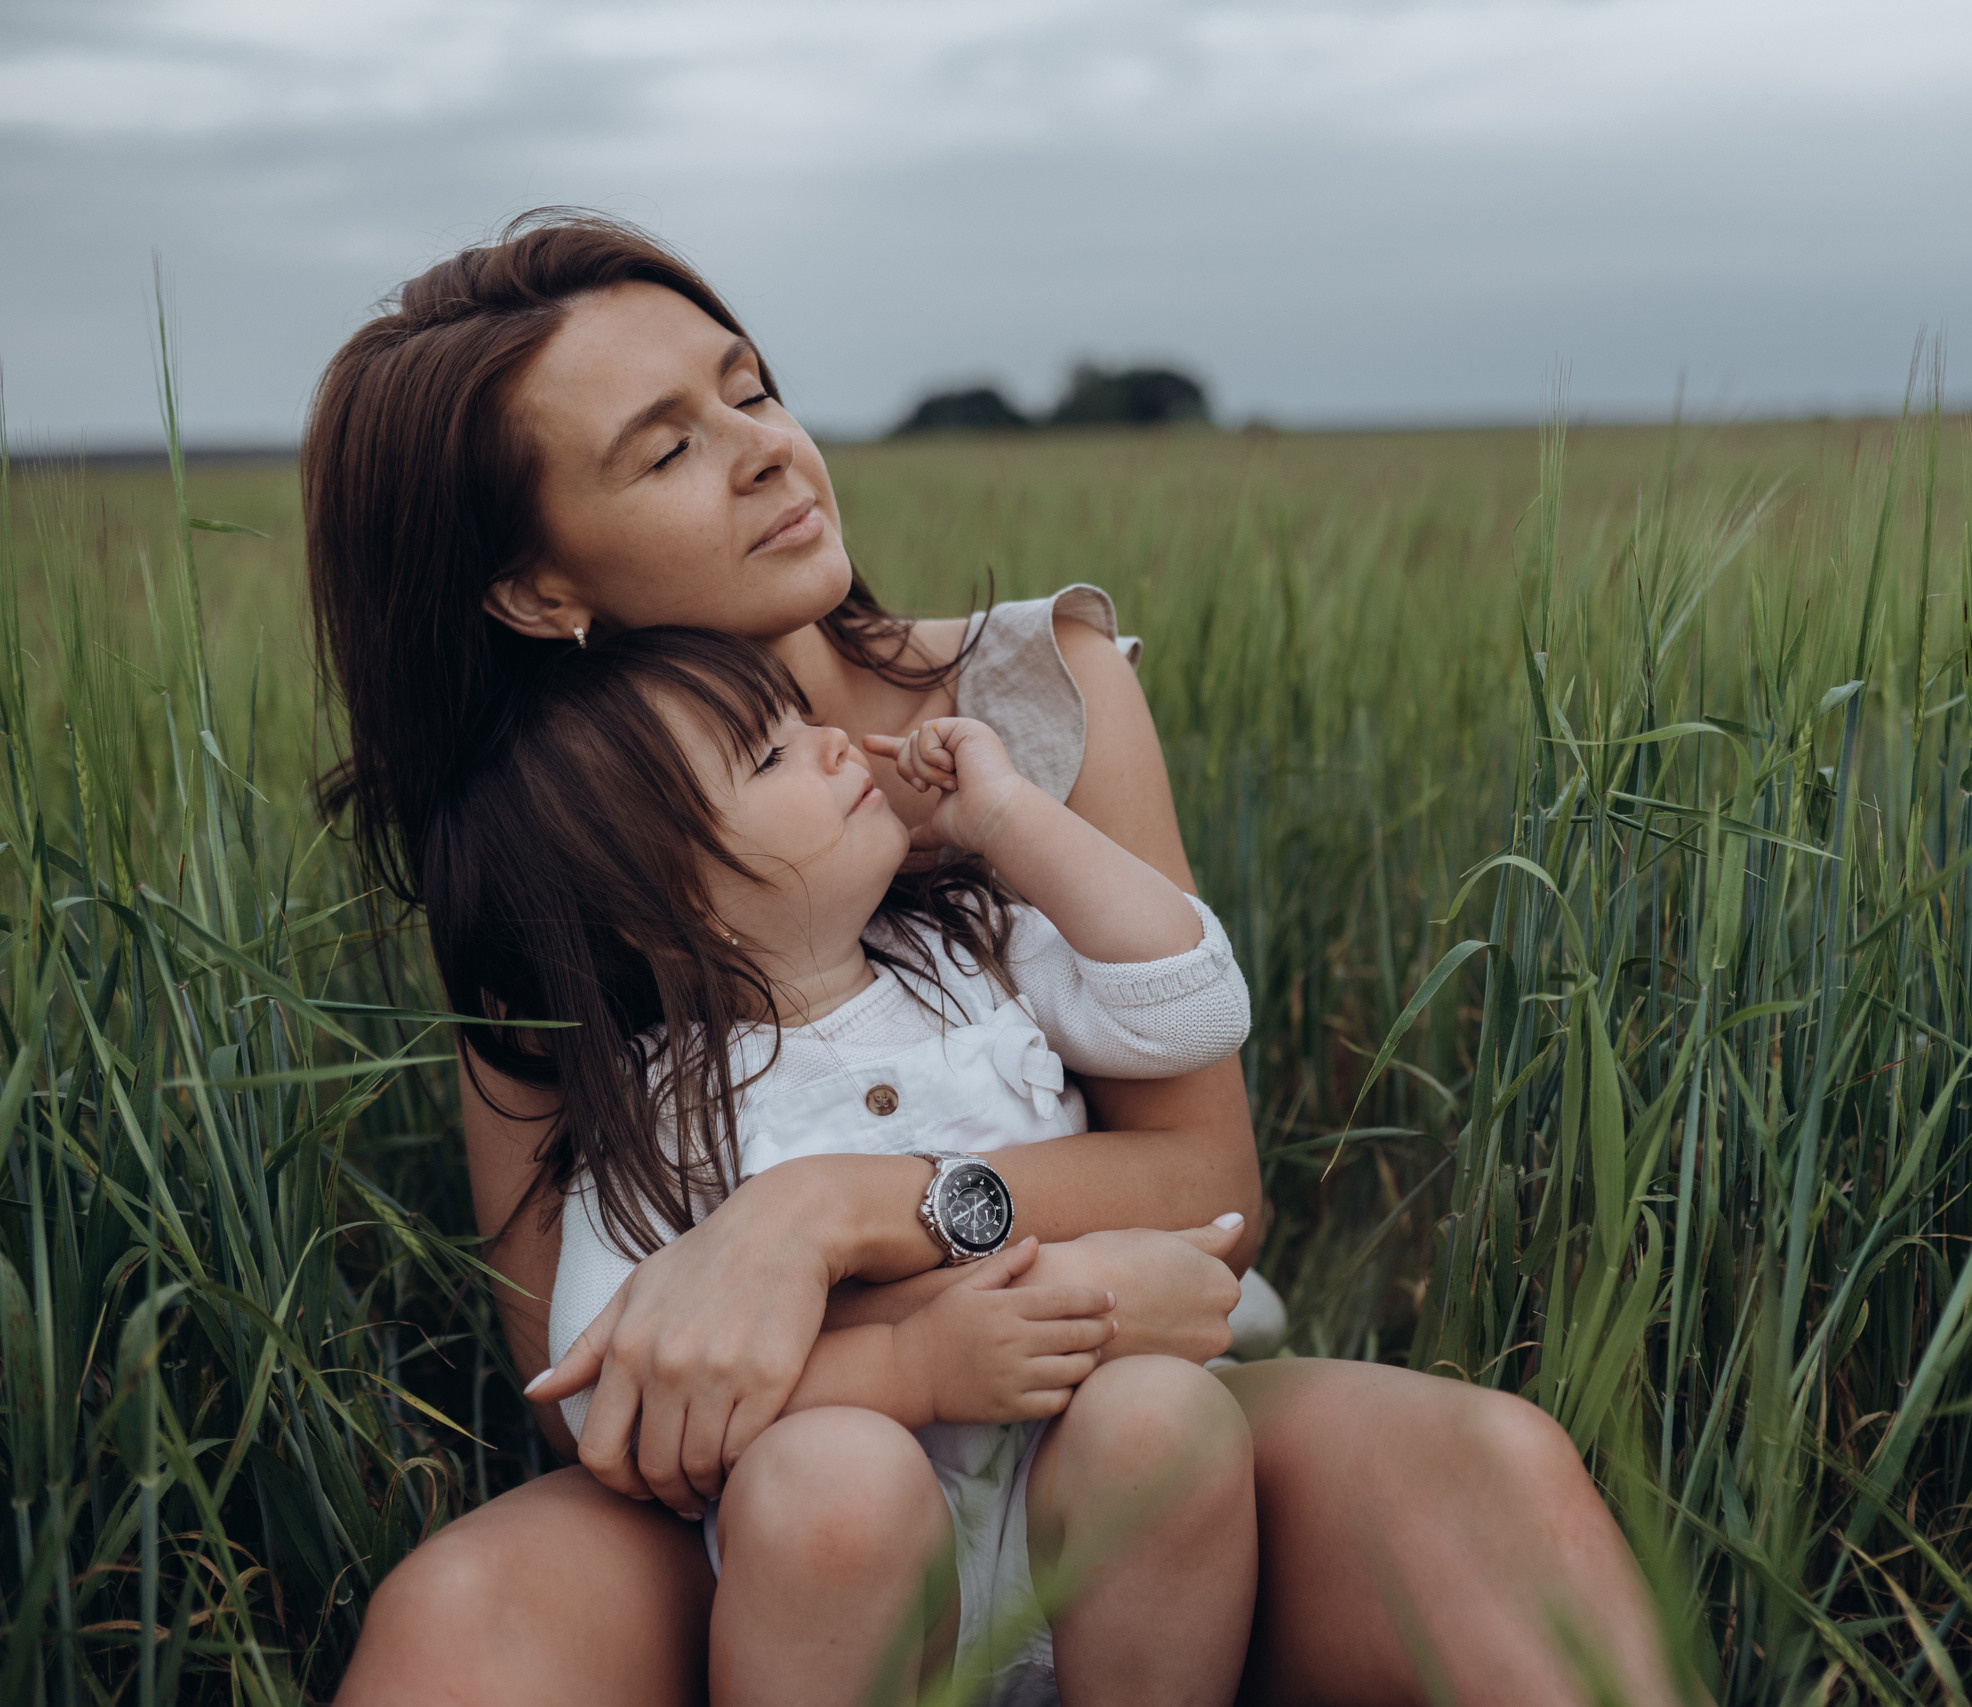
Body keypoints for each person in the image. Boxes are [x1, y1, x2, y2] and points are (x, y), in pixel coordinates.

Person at [319, 209, 1675, 1707]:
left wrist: (825, 1213)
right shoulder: (544, 866)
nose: (770, 448)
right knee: (457, 1624)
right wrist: (909, 1355)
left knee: (1493, 1467)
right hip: (776, 1494)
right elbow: (588, 1379)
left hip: (1109, 1413)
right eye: (665, 449)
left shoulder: (1026, 697)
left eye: (751, 389)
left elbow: (1207, 1182)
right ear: (535, 587)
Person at [421, 623, 1260, 1704]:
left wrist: (1009, 821)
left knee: (1166, 1419)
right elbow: (606, 1395)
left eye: (802, 721)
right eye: (770, 757)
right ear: (654, 912)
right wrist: (907, 1367)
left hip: (1074, 1514)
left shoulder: (977, 954)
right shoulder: (659, 1120)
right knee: (831, 1478)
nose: (833, 745)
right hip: (854, 1588)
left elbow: (1194, 1012)